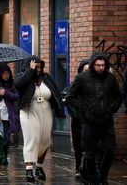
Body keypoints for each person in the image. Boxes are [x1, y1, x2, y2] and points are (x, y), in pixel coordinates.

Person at [65, 52, 122, 185]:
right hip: (89, 122)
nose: (101, 68)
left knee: (110, 150)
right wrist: (82, 110)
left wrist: (111, 108)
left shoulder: (111, 78)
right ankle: (93, 180)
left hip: (106, 121)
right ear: (92, 65)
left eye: (103, 65)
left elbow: (118, 97)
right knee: (90, 154)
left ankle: (102, 177)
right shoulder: (82, 78)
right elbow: (70, 98)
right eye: (98, 65)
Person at [14, 56, 65, 183]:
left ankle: (39, 166)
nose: (38, 69)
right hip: (29, 111)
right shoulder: (22, 76)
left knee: (45, 140)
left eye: (39, 66)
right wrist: (30, 72)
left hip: (45, 111)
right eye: (34, 67)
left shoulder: (46, 78)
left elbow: (56, 92)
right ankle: (29, 169)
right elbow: (19, 85)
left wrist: (60, 109)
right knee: (32, 138)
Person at [67, 58, 89, 180]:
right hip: (78, 121)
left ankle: (89, 168)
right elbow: (69, 101)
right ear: (81, 71)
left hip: (90, 120)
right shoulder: (76, 83)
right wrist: (76, 114)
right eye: (85, 70)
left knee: (90, 145)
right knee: (78, 147)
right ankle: (78, 168)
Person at [0, 64, 20, 164]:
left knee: (6, 138)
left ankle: (4, 156)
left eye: (7, 74)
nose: (6, 75)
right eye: (4, 74)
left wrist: (6, 93)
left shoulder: (12, 84)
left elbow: (16, 96)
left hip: (8, 116)